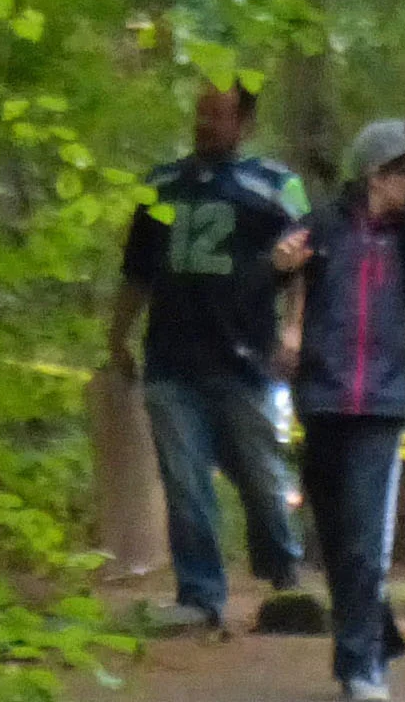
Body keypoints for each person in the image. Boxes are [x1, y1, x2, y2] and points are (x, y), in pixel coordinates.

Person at [107, 84, 311, 631]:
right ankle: (200, 596)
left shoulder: (274, 186)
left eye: (216, 114)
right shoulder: (161, 185)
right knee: (185, 480)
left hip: (245, 359)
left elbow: (304, 265)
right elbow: (137, 272)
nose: (204, 123)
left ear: (243, 122)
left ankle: (286, 577)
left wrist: (294, 330)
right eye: (199, 112)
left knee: (263, 478)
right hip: (171, 361)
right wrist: (116, 337)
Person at [284, 121, 405, 702]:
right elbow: (277, 274)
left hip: (382, 400)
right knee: (333, 535)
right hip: (324, 396)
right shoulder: (328, 224)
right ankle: (374, 635)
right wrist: (279, 265)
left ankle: (359, 663)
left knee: (362, 535)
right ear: (379, 174)